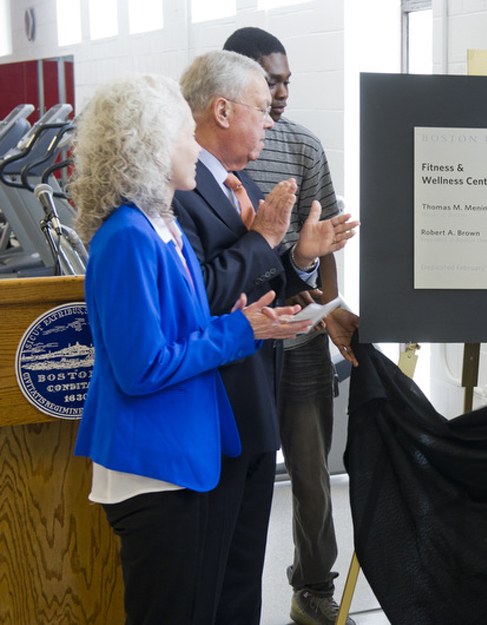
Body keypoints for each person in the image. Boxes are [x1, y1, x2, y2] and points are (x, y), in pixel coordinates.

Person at [71, 73, 315, 624]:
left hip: (188, 455)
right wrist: (239, 332)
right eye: (185, 133)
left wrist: (248, 322)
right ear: (151, 145)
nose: (194, 145)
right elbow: (143, 368)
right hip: (153, 465)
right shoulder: (128, 235)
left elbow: (189, 325)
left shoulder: (162, 227)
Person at [171, 50, 358, 625]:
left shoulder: (240, 181)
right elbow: (198, 291)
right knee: (212, 573)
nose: (272, 120)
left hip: (255, 398)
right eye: (260, 107)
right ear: (222, 110)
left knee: (243, 572)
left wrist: (301, 255)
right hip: (214, 406)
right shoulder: (176, 188)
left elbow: (262, 275)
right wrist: (266, 238)